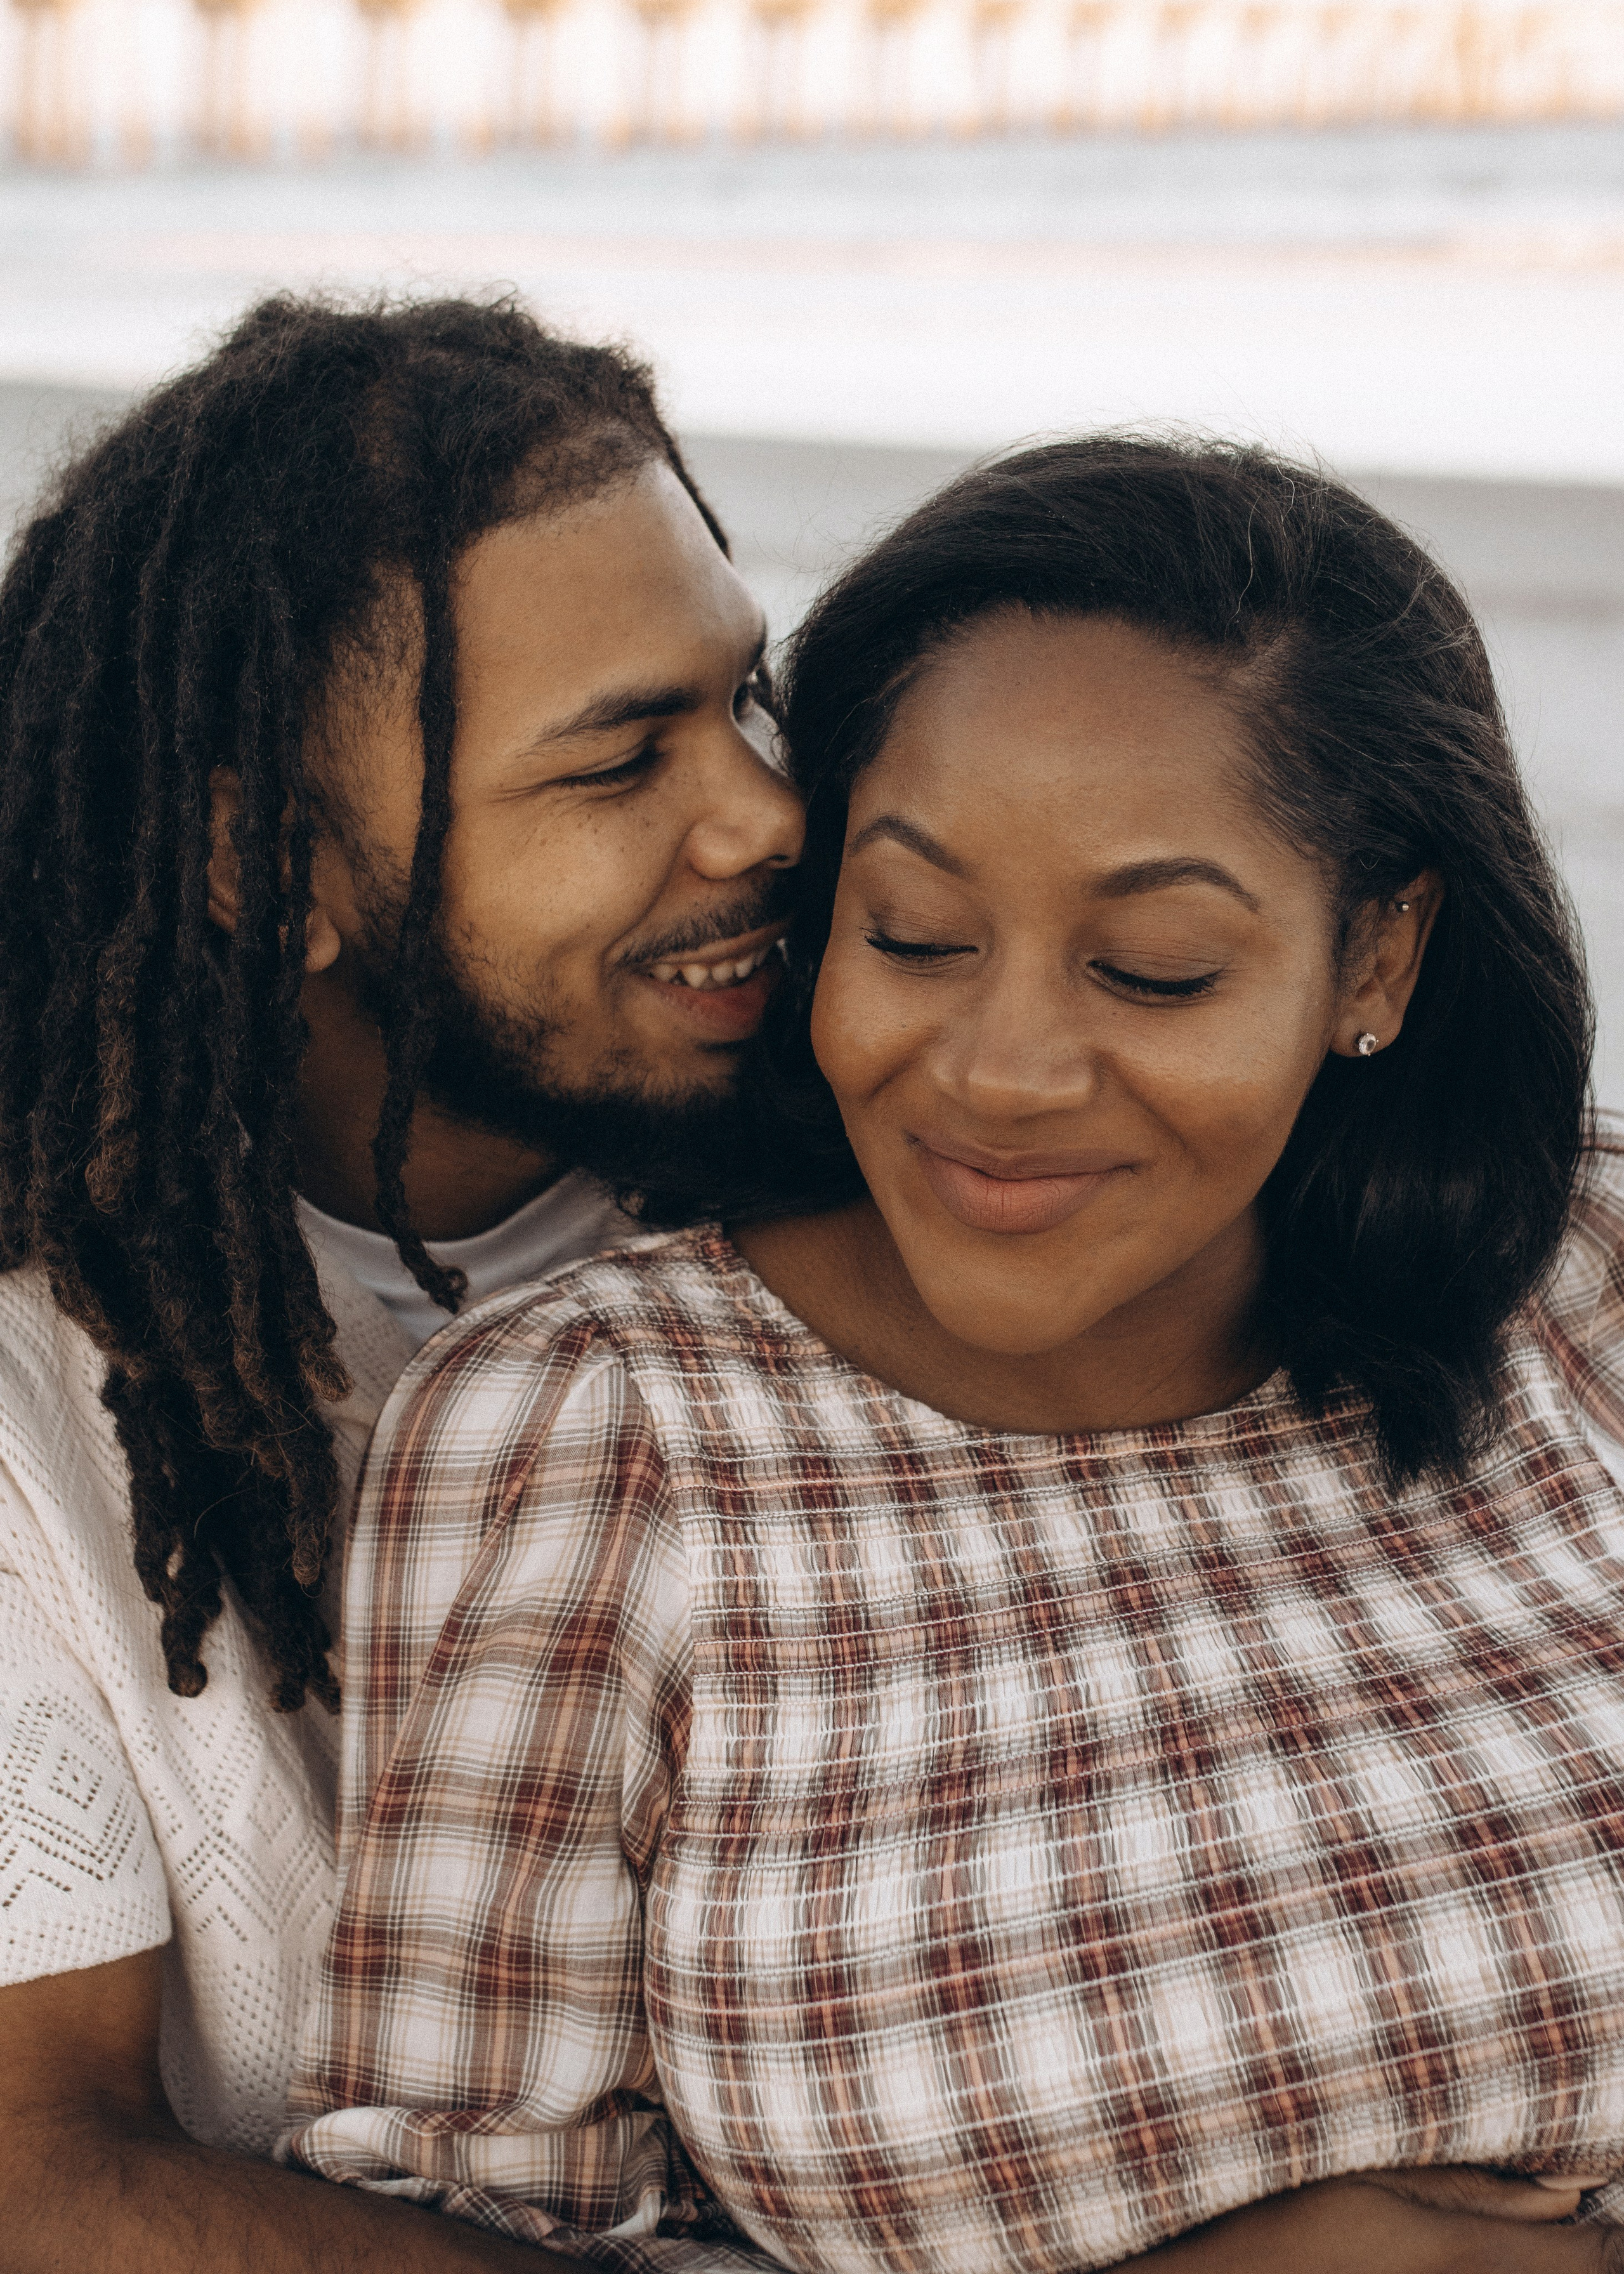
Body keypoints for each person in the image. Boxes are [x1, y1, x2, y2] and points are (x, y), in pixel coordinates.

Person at [286, 436, 1624, 2274]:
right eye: (912, 935)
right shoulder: (596, 1437)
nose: (999, 1072)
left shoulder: (1579, 1276)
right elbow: (455, 2234)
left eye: (1153, 969)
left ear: (1376, 960)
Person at [0, 291, 801, 2272]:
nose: (770, 817)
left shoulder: (881, 1161)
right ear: (266, 868)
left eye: (747, 700)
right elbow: (38, 2176)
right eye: (620, 767)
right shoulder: (34, 1399)